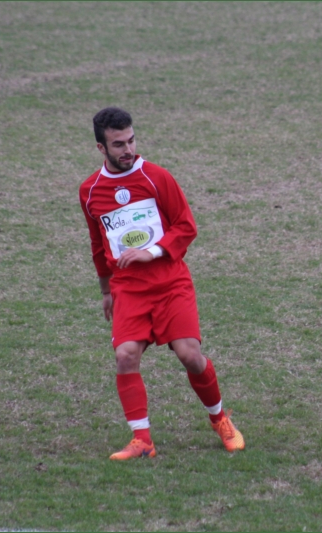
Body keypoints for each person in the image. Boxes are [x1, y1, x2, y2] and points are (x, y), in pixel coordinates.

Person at [79, 107, 244, 460]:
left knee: (190, 356)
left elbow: (186, 226)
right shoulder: (90, 191)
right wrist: (106, 290)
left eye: (131, 140)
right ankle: (142, 441)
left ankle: (220, 419)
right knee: (125, 356)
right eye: (118, 144)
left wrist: (150, 252)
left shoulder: (156, 177)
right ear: (101, 148)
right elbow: (97, 244)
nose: (128, 149)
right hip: (127, 288)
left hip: (170, 282)